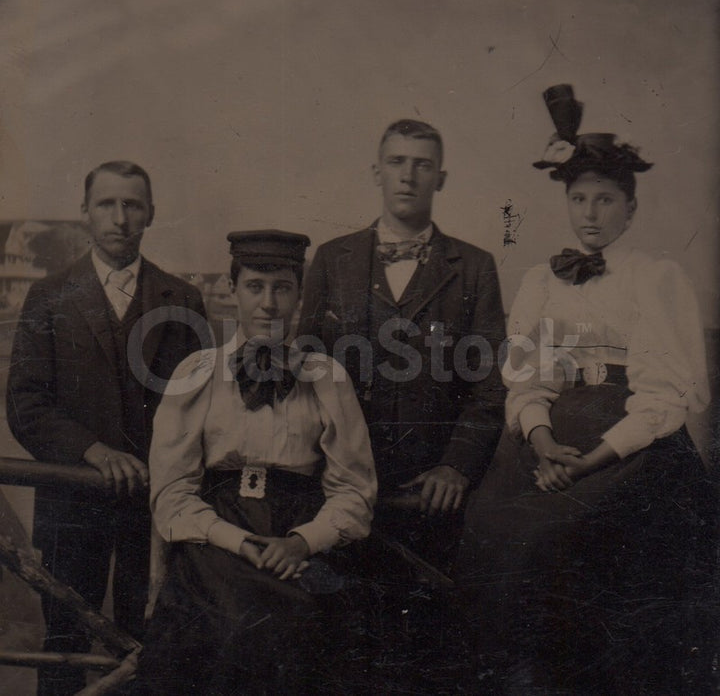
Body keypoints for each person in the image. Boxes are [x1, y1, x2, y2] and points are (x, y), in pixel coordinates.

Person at [455, 85, 715, 693]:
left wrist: (589, 463)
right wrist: (542, 443)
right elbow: (528, 376)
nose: (591, 214)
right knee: (491, 530)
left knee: (562, 542)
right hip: (552, 439)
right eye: (579, 199)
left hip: (630, 447)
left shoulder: (656, 278)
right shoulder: (546, 277)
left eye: (605, 200)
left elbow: (661, 398)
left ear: (630, 210)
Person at [297, 119, 506, 689]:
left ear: (441, 177)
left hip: (426, 497)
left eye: (420, 164)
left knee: (422, 647)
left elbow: (488, 387)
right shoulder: (333, 259)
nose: (407, 175)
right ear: (376, 171)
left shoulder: (476, 267)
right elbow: (303, 367)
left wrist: (456, 466)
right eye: (396, 162)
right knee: (336, 638)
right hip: (337, 488)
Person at [132, 230, 377, 695]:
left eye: (282, 287)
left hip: (296, 539)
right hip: (215, 542)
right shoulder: (197, 373)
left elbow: (355, 491)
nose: (269, 303)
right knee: (228, 619)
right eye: (255, 286)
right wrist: (237, 541)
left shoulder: (327, 378)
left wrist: (304, 542)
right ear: (231, 291)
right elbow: (171, 492)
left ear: (300, 296)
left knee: (303, 624)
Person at [6, 160, 207, 696]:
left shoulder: (182, 301)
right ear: (85, 213)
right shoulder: (49, 296)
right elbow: (25, 403)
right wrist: (93, 450)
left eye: (132, 205)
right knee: (66, 636)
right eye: (107, 204)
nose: (120, 218)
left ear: (151, 214)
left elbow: (202, 409)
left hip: (156, 507)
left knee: (151, 640)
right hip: (73, 503)